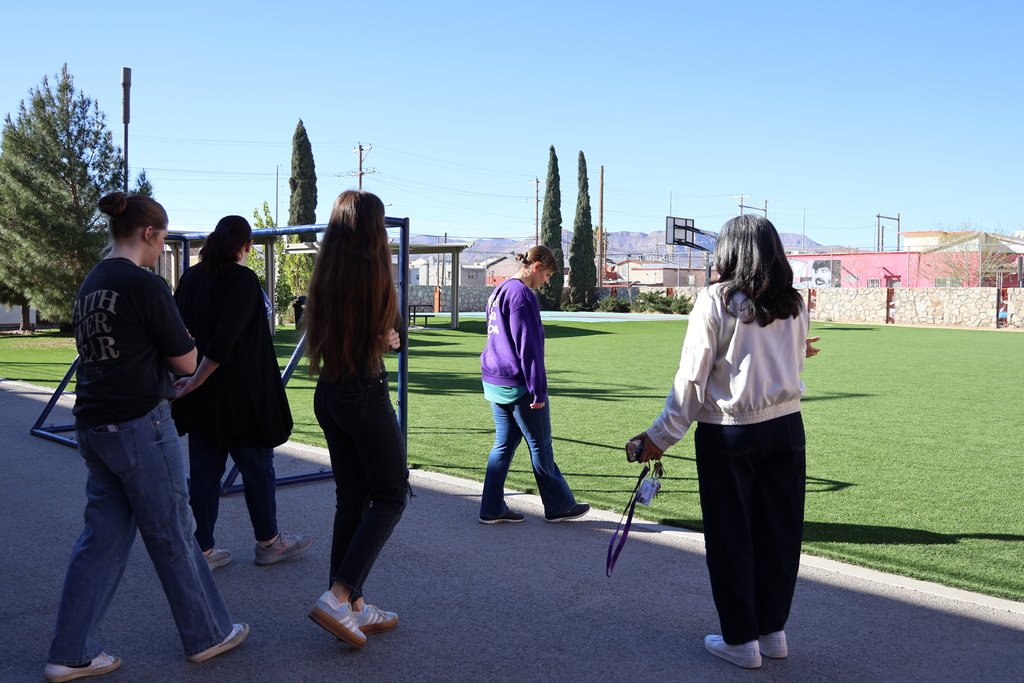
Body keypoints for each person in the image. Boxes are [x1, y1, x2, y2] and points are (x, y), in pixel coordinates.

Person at [45, 192, 247, 683]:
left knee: (102, 539)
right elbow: (185, 361)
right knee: (174, 530)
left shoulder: (92, 282)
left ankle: (68, 652)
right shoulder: (144, 284)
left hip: (94, 425)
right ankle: (208, 634)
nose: (160, 252)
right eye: (161, 242)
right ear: (149, 235)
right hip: (139, 424)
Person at [631, 214, 820, 670]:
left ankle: (740, 639)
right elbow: (790, 360)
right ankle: (771, 632)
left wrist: (658, 438)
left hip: (731, 431)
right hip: (787, 428)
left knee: (732, 535)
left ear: (729, 251)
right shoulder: (793, 302)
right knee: (779, 532)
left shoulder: (715, 299)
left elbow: (691, 379)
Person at [172, 215, 311, 570]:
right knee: (257, 468)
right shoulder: (242, 279)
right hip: (239, 397)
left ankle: (202, 548)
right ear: (247, 246)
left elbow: (177, 333)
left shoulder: (189, 278)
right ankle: (268, 542)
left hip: (200, 396)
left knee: (204, 472)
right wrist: (199, 378)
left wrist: (191, 381)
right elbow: (225, 339)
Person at [304, 190, 408, 648]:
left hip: (328, 393)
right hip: (364, 392)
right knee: (390, 495)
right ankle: (339, 595)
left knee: (352, 500)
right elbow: (395, 336)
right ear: (373, 227)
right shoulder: (376, 271)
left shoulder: (325, 271)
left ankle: (352, 607)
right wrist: (389, 336)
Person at [478, 246, 590, 524]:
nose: (547, 282)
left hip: (495, 380)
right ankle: (559, 506)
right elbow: (528, 347)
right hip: (519, 384)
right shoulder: (522, 295)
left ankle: (491, 508)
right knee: (540, 445)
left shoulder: (500, 291)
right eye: (549, 275)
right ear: (537, 266)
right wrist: (538, 389)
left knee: (503, 445)